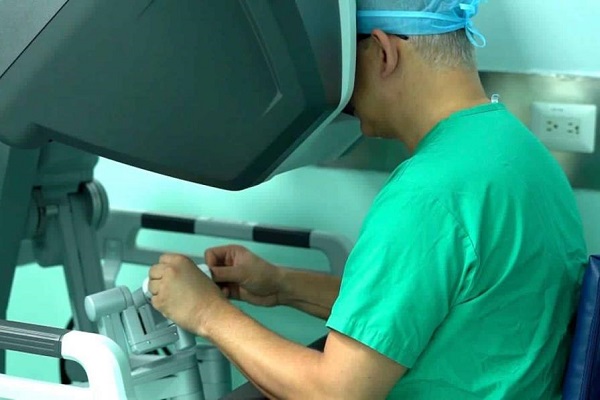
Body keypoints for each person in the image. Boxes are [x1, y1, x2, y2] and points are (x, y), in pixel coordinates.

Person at [147, 0, 588, 398]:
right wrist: (280, 284)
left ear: (383, 51)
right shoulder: (519, 151)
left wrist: (206, 313)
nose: (341, 91)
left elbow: (335, 393)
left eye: (342, 63)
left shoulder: (427, 195)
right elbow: (423, 306)